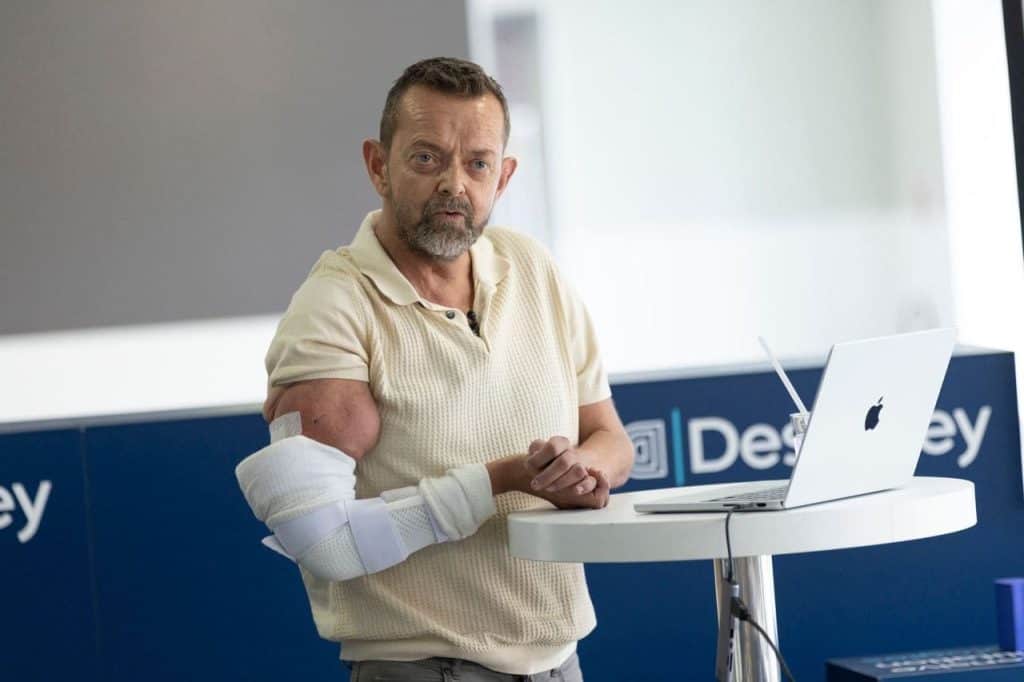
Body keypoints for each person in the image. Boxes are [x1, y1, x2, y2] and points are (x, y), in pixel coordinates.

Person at [253, 57, 634, 681]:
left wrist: (580, 472)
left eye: (477, 163)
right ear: (379, 165)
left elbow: (612, 440)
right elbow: (323, 542)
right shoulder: (331, 308)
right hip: (421, 666)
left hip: (558, 661)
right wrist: (509, 478)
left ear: (503, 176)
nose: (455, 184)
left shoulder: (533, 268)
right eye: (427, 158)